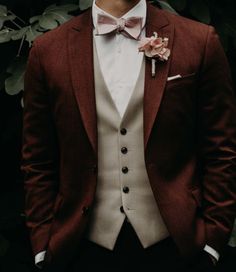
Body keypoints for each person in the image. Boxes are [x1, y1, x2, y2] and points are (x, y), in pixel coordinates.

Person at [21, 0, 236, 271]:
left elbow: (221, 150)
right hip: (80, 246)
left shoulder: (199, 40)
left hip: (176, 245)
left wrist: (213, 242)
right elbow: (38, 159)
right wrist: (42, 245)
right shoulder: (47, 50)